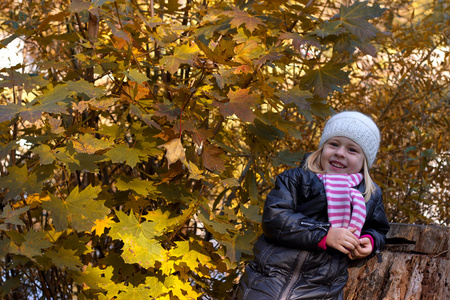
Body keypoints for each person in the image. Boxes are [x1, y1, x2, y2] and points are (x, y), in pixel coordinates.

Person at [234, 111, 390, 300]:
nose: (340, 153)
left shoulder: (369, 195)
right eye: (333, 144)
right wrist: (325, 233)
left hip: (322, 290)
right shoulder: (297, 179)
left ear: (364, 160)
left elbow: (379, 229)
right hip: (268, 280)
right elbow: (275, 218)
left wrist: (369, 241)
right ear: (322, 148)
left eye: (352, 150)